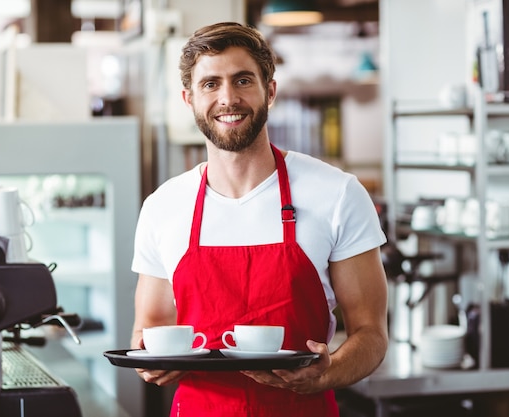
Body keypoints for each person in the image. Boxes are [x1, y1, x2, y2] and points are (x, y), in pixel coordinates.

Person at [130, 21, 388, 417]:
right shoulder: (163, 206)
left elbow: (371, 335)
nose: (228, 98)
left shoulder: (338, 194)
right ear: (189, 99)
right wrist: (152, 363)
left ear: (270, 91)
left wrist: (327, 371)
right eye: (210, 84)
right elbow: (148, 332)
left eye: (243, 80)